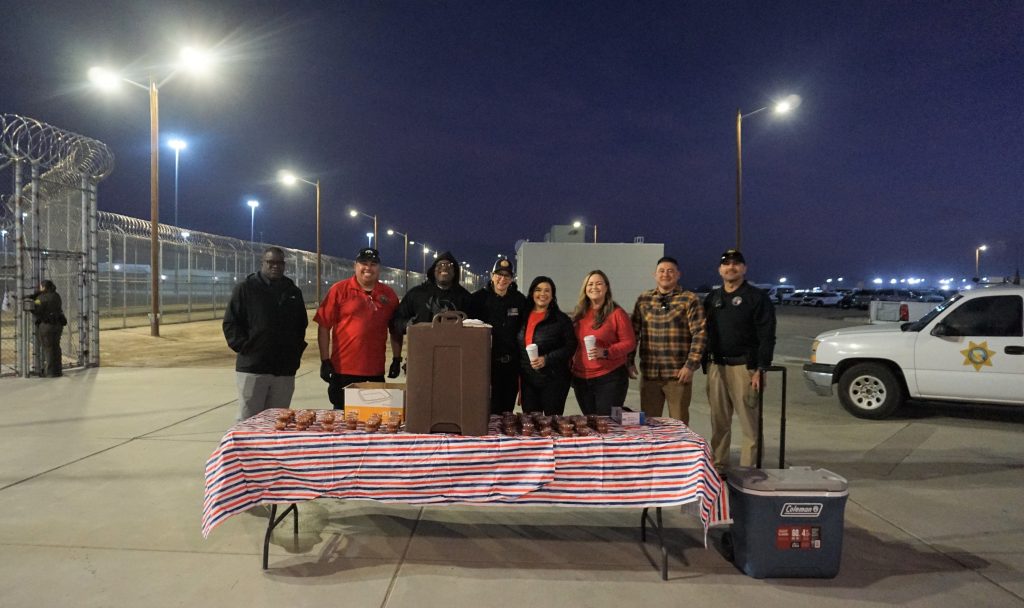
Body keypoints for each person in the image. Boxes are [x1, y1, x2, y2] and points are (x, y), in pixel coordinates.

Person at [703, 249, 777, 472]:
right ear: (720, 270)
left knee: (749, 423)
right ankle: (719, 464)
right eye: (726, 264)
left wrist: (761, 368)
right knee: (719, 422)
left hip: (745, 367)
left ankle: (749, 471)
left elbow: (767, 336)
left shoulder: (757, 298)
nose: (731, 267)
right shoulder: (712, 298)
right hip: (717, 366)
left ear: (744, 268)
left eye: (736, 264)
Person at [223, 247, 308, 422]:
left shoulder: (293, 291)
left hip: (284, 370)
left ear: (284, 265)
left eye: (279, 263)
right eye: (271, 262)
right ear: (263, 263)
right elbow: (231, 323)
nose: (275, 266)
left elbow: (301, 325)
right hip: (254, 368)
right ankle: (246, 449)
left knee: (278, 421)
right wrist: (247, 348)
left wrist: (294, 353)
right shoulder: (246, 289)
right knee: (249, 420)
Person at [314, 247, 401, 409]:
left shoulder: (389, 295)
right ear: (355, 266)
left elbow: (395, 330)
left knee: (374, 419)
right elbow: (324, 326)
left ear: (379, 268)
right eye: (363, 263)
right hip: (343, 370)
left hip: (375, 371)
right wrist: (325, 360)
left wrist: (397, 359)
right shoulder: (339, 290)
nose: (368, 267)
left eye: (373, 264)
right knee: (342, 420)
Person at [628, 256, 707, 424]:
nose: (666, 274)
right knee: (649, 423)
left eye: (670, 271)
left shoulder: (689, 299)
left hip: (677, 375)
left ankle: (680, 450)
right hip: (650, 374)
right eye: (661, 271)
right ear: (655, 275)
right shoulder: (644, 299)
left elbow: (699, 333)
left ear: (678, 274)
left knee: (678, 423)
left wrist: (690, 365)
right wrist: (629, 360)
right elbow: (634, 332)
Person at [570, 270, 636, 415]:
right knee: (590, 424)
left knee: (606, 425)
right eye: (590, 284)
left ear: (606, 287)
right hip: (582, 379)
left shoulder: (617, 313)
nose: (594, 287)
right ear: (585, 288)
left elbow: (629, 342)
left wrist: (605, 352)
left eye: (599, 283)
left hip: (609, 378)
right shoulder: (579, 314)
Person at [469, 257, 528, 414]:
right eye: (499, 275)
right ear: (492, 276)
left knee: (507, 410)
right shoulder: (477, 299)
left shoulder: (519, 300)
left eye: (507, 276)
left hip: (511, 365)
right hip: (486, 364)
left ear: (512, 279)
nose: (502, 279)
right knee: (487, 408)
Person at [517, 276, 576, 415]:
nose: (542, 294)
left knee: (551, 424)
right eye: (538, 290)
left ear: (552, 295)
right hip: (528, 379)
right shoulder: (523, 316)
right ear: (532, 293)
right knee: (531, 422)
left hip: (554, 380)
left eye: (547, 290)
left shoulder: (561, 319)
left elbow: (571, 346)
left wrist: (547, 359)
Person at [393, 250, 472, 338]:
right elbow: (396, 321)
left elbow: (476, 325)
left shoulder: (465, 297)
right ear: (433, 271)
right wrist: (408, 324)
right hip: (423, 346)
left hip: (454, 347)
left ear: (455, 272)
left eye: (449, 265)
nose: (444, 268)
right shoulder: (416, 294)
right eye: (440, 265)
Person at [29, 280, 65, 377]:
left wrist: (32, 301)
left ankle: (50, 372)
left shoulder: (41, 298)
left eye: (41, 287)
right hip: (58, 324)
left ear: (44, 287)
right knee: (56, 347)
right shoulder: (56, 296)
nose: (40, 288)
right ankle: (58, 371)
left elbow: (36, 309)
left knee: (48, 348)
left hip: (47, 325)